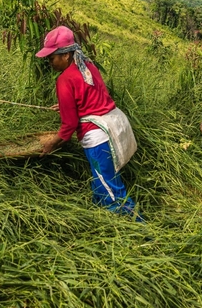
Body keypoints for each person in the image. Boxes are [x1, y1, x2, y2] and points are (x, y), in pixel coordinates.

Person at [37, 26, 140, 219]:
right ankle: (100, 222)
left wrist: (52, 143)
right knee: (101, 182)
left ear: (66, 55)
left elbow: (68, 126)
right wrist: (65, 105)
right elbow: (91, 97)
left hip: (98, 137)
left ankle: (143, 233)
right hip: (115, 124)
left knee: (112, 192)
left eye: (52, 58)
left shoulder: (64, 80)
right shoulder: (87, 66)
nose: (49, 62)